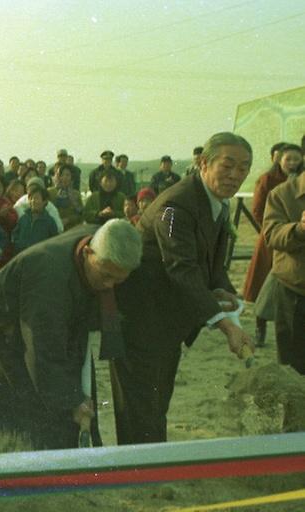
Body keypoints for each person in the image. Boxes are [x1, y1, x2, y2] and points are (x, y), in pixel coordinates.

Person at [113, 132, 254, 445]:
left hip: (169, 318)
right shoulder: (175, 207)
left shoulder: (218, 203)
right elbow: (181, 266)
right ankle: (140, 474)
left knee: (158, 396)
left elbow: (212, 266)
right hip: (141, 317)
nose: (235, 175)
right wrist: (225, 325)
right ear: (203, 163)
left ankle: (152, 466)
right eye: (227, 165)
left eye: (243, 168)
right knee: (142, 401)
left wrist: (224, 292)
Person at [0, 220, 142, 449]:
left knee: (72, 390)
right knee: (23, 404)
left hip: (57, 315)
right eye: (106, 275)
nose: (110, 285)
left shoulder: (102, 242)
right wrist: (72, 401)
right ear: (88, 253)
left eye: (118, 279)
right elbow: (43, 354)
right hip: (6, 325)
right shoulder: (49, 281)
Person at [243, 143, 303, 346]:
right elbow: (259, 211)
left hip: (293, 244)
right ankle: (260, 329)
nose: (293, 163)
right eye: (289, 159)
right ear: (279, 160)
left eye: (296, 159)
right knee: (264, 289)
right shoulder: (268, 181)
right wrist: (280, 229)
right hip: (271, 244)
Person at [263, 161, 305, 375]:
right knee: (293, 369)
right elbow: (271, 235)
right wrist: (299, 229)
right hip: (295, 294)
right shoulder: (282, 194)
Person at [12, 184, 59, 254]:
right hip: (21, 256)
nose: (33, 201)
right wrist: (18, 244)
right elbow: (15, 234)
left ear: (45, 201)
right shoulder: (24, 218)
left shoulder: (49, 221)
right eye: (31, 198)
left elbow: (54, 241)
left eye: (36, 198)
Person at [48, 164, 83, 231]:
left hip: (71, 229)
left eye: (67, 175)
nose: (64, 178)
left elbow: (80, 214)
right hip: (53, 229)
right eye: (62, 175)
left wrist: (68, 220)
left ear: (71, 177)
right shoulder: (50, 192)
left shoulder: (76, 194)